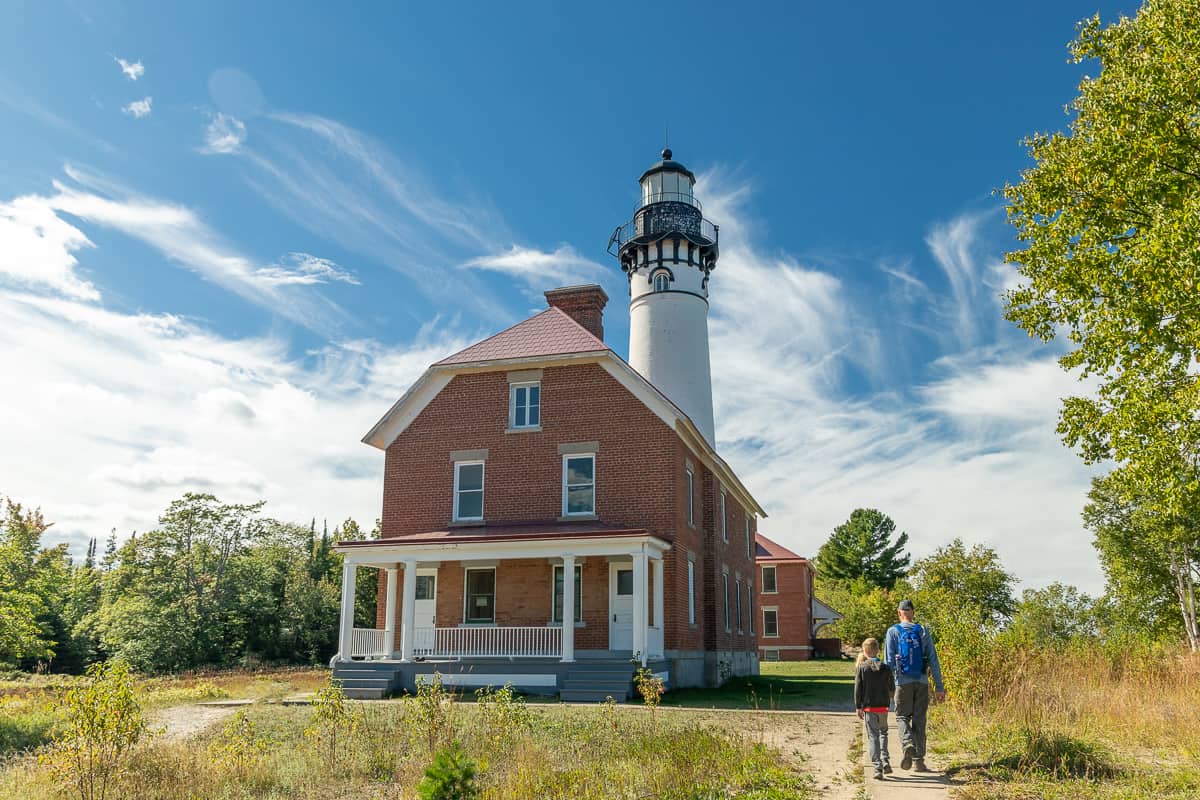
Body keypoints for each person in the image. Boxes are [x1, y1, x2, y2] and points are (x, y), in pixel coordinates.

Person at [884, 598, 946, 772]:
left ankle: (907, 743)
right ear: (913, 612)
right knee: (919, 719)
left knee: (902, 716)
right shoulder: (923, 630)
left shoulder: (892, 632)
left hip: (902, 682)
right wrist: (939, 687)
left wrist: (888, 688)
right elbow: (933, 660)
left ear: (899, 613)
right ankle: (919, 761)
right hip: (921, 681)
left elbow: (888, 661)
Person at [854, 637, 894, 780]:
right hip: (883, 707)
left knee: (873, 736)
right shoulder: (886, 667)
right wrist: (889, 698)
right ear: (878, 650)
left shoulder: (862, 668)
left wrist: (858, 706)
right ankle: (885, 760)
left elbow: (858, 689)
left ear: (865, 651)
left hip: (869, 707)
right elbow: (891, 687)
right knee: (883, 733)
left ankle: (877, 767)